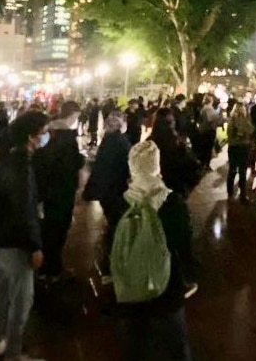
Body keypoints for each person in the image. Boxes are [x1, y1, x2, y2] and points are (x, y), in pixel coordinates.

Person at [114, 141, 195, 361]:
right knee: (176, 343)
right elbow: (182, 242)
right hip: (166, 282)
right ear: (156, 166)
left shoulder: (121, 203)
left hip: (131, 284)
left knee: (135, 344)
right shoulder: (172, 202)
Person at [0, 110, 48, 361]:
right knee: (22, 301)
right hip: (16, 242)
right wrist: (35, 247)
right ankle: (13, 353)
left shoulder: (7, 159)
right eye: (43, 132)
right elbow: (25, 212)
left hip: (2, 238)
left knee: (3, 294)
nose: (45, 137)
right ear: (32, 136)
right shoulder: (23, 167)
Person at [34, 101, 86, 282]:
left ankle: (42, 269)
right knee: (58, 230)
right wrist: (80, 159)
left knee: (47, 228)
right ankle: (54, 270)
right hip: (62, 190)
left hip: (46, 190)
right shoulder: (66, 137)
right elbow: (71, 164)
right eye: (77, 117)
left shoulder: (48, 132)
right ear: (72, 115)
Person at [83, 111, 131, 282]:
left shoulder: (109, 140)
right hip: (116, 190)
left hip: (107, 191)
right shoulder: (119, 141)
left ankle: (110, 265)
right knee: (117, 227)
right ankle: (111, 267)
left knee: (114, 224)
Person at [148, 108, 202, 200]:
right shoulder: (174, 140)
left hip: (156, 182)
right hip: (174, 181)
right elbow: (185, 161)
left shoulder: (150, 141)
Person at [226, 103, 254, 203]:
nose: (243, 111)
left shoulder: (246, 119)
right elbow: (231, 134)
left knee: (241, 171)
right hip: (236, 147)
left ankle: (241, 193)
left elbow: (251, 130)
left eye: (243, 109)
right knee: (234, 170)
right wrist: (240, 135)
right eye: (241, 109)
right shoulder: (233, 120)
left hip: (243, 147)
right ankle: (232, 193)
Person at [196, 95, 223, 170]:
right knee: (208, 148)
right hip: (208, 131)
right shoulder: (208, 109)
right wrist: (219, 114)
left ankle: (203, 163)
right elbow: (212, 119)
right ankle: (206, 165)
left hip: (204, 130)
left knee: (205, 148)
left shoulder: (204, 108)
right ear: (211, 101)